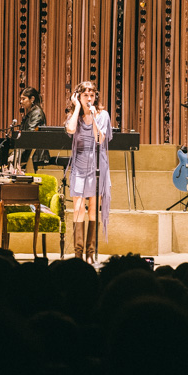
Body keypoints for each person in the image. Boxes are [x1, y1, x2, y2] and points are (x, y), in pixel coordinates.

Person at [65, 81, 112, 262]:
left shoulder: (103, 115)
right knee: (78, 208)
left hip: (97, 164)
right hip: (79, 163)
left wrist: (93, 118)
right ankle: (78, 254)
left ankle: (90, 253)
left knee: (93, 208)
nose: (90, 99)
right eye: (85, 95)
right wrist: (77, 107)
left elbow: (100, 138)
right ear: (79, 97)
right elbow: (70, 129)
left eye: (92, 95)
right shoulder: (74, 115)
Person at [18, 86, 49, 172]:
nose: (21, 102)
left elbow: (29, 134)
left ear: (32, 99)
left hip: (37, 154)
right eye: (20, 99)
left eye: (23, 99)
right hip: (31, 152)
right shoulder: (32, 112)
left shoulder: (36, 113)